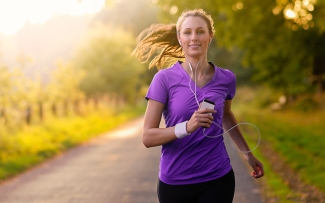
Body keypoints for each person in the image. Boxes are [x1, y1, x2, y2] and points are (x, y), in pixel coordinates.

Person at [133, 8, 264, 203]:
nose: (194, 37)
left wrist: (248, 154)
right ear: (179, 38)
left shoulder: (226, 79)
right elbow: (148, 136)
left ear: (210, 36)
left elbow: (226, 115)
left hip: (217, 178)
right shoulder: (164, 79)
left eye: (200, 31)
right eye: (188, 32)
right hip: (175, 182)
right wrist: (187, 127)